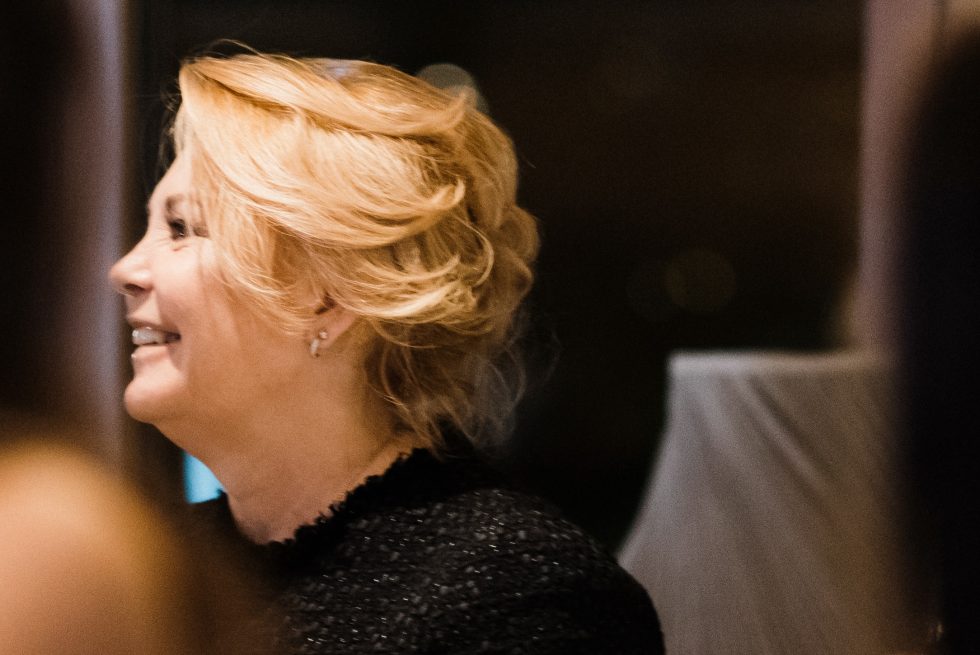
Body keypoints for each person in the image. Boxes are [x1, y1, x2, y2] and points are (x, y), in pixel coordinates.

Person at [109, 48, 663, 654]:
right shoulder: (161, 572)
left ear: (327, 296)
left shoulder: (519, 593)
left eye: (182, 229)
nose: (126, 270)